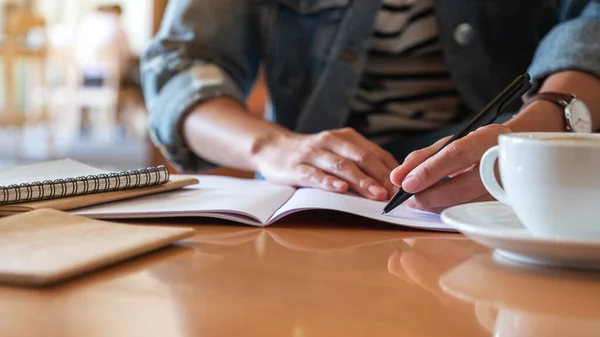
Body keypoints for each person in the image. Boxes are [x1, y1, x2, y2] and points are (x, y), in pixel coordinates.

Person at [141, 0, 600, 212]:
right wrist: (269, 146)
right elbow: (185, 65)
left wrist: (542, 126)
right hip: (307, 203)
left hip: (516, 197)